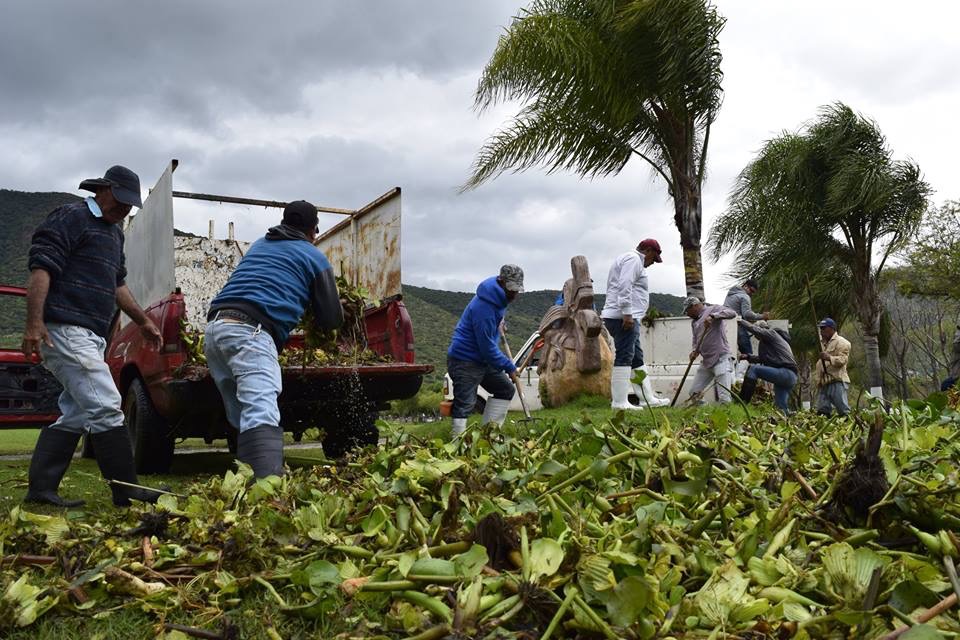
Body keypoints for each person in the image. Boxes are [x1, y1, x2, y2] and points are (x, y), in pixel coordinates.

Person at [22, 165, 165, 507]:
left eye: (130, 205)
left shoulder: (115, 234)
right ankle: (126, 490)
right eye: (120, 200)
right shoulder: (71, 217)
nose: (124, 209)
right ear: (103, 190)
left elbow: (118, 285)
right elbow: (42, 267)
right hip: (64, 328)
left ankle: (41, 490)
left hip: (91, 334)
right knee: (106, 405)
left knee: (76, 413)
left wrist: (143, 321)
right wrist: (33, 323)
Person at [204, 200, 343, 477]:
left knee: (242, 415)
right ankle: (267, 490)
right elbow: (331, 318)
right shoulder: (313, 256)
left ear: (283, 223)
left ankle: (246, 483)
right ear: (313, 230)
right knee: (261, 410)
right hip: (251, 333)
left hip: (216, 329)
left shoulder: (259, 245)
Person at [446, 265, 524, 436]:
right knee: (465, 403)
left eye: (517, 290)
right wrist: (509, 367)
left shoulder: (499, 298)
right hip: (465, 360)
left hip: (482, 359)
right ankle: (455, 443)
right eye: (511, 290)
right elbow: (487, 348)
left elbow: (491, 328)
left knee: (505, 389)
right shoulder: (485, 307)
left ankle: (489, 436)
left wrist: (499, 326)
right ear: (501, 282)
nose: (514, 295)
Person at [600, 238, 669, 409]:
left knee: (636, 357)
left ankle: (647, 398)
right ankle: (619, 402)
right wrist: (627, 314)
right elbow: (625, 285)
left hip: (624, 315)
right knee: (625, 356)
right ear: (648, 251)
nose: (652, 263)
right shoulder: (633, 259)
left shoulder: (630, 259)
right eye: (654, 258)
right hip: (622, 317)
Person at [683, 297, 737, 404]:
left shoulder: (714, 309)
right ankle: (705, 414)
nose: (687, 314)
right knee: (694, 393)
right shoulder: (694, 322)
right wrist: (695, 350)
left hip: (721, 358)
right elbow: (696, 338)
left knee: (724, 397)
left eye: (687, 311)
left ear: (695, 306)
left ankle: (727, 419)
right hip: (707, 362)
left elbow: (732, 313)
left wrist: (713, 316)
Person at [737, 320, 798, 413]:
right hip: (790, 377)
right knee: (781, 409)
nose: (756, 337)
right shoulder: (771, 343)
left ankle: (742, 402)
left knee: (753, 369)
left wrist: (741, 321)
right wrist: (748, 356)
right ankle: (788, 422)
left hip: (785, 372)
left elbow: (754, 329)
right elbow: (763, 359)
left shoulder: (771, 334)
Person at [724, 279, 769, 381]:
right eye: (751, 291)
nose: (751, 294)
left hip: (725, 326)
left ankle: (731, 379)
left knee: (730, 354)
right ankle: (739, 379)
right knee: (748, 353)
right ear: (745, 286)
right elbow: (747, 315)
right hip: (737, 325)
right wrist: (762, 316)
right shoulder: (744, 296)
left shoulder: (731, 294)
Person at [815, 317, 851, 417]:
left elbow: (843, 360)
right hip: (824, 382)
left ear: (831, 329)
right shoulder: (822, 344)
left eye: (824, 328)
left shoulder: (842, 342)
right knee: (822, 411)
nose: (822, 331)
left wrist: (829, 358)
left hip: (837, 381)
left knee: (843, 410)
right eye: (821, 329)